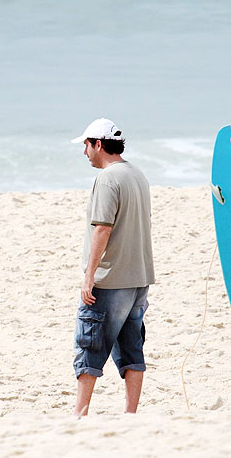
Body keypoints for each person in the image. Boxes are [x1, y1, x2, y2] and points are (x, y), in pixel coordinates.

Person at [70, 118, 155, 416]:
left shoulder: (107, 179)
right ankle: (130, 414)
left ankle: (80, 414)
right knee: (132, 347)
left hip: (110, 279)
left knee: (90, 345)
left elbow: (102, 229)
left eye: (86, 146)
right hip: (138, 277)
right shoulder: (137, 174)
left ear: (98, 144)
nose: (85, 153)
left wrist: (89, 276)